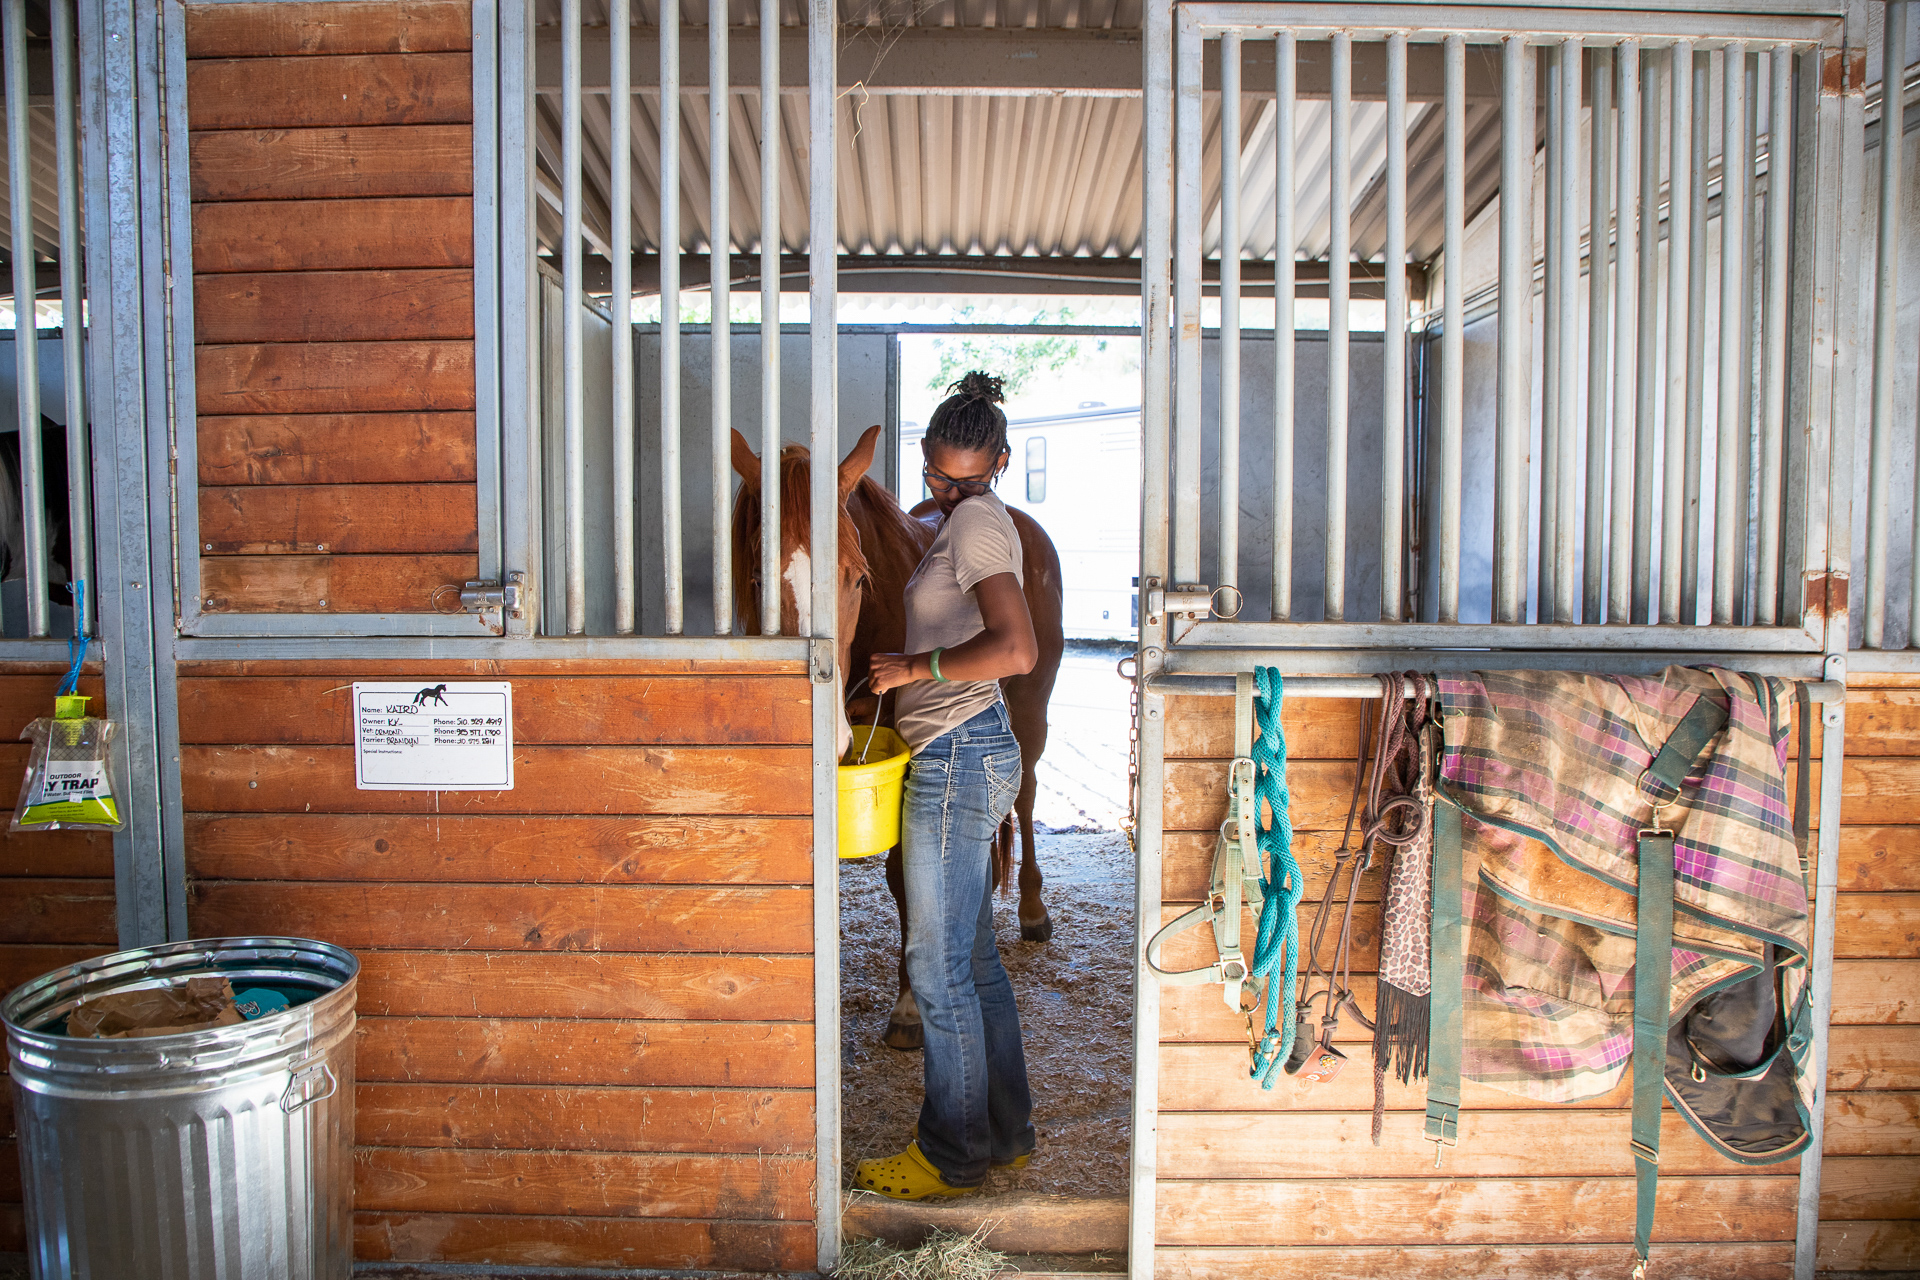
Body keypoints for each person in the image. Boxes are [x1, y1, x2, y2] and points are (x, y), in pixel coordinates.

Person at [855, 371, 1039, 1200]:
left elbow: (1017, 651)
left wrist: (914, 666)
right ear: (925, 459)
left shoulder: (977, 526)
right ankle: (1005, 1137)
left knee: (932, 968)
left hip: (958, 753)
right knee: (972, 961)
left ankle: (951, 1156)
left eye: (965, 478)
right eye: (936, 474)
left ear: (998, 463)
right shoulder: (961, 520)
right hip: (968, 745)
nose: (949, 490)